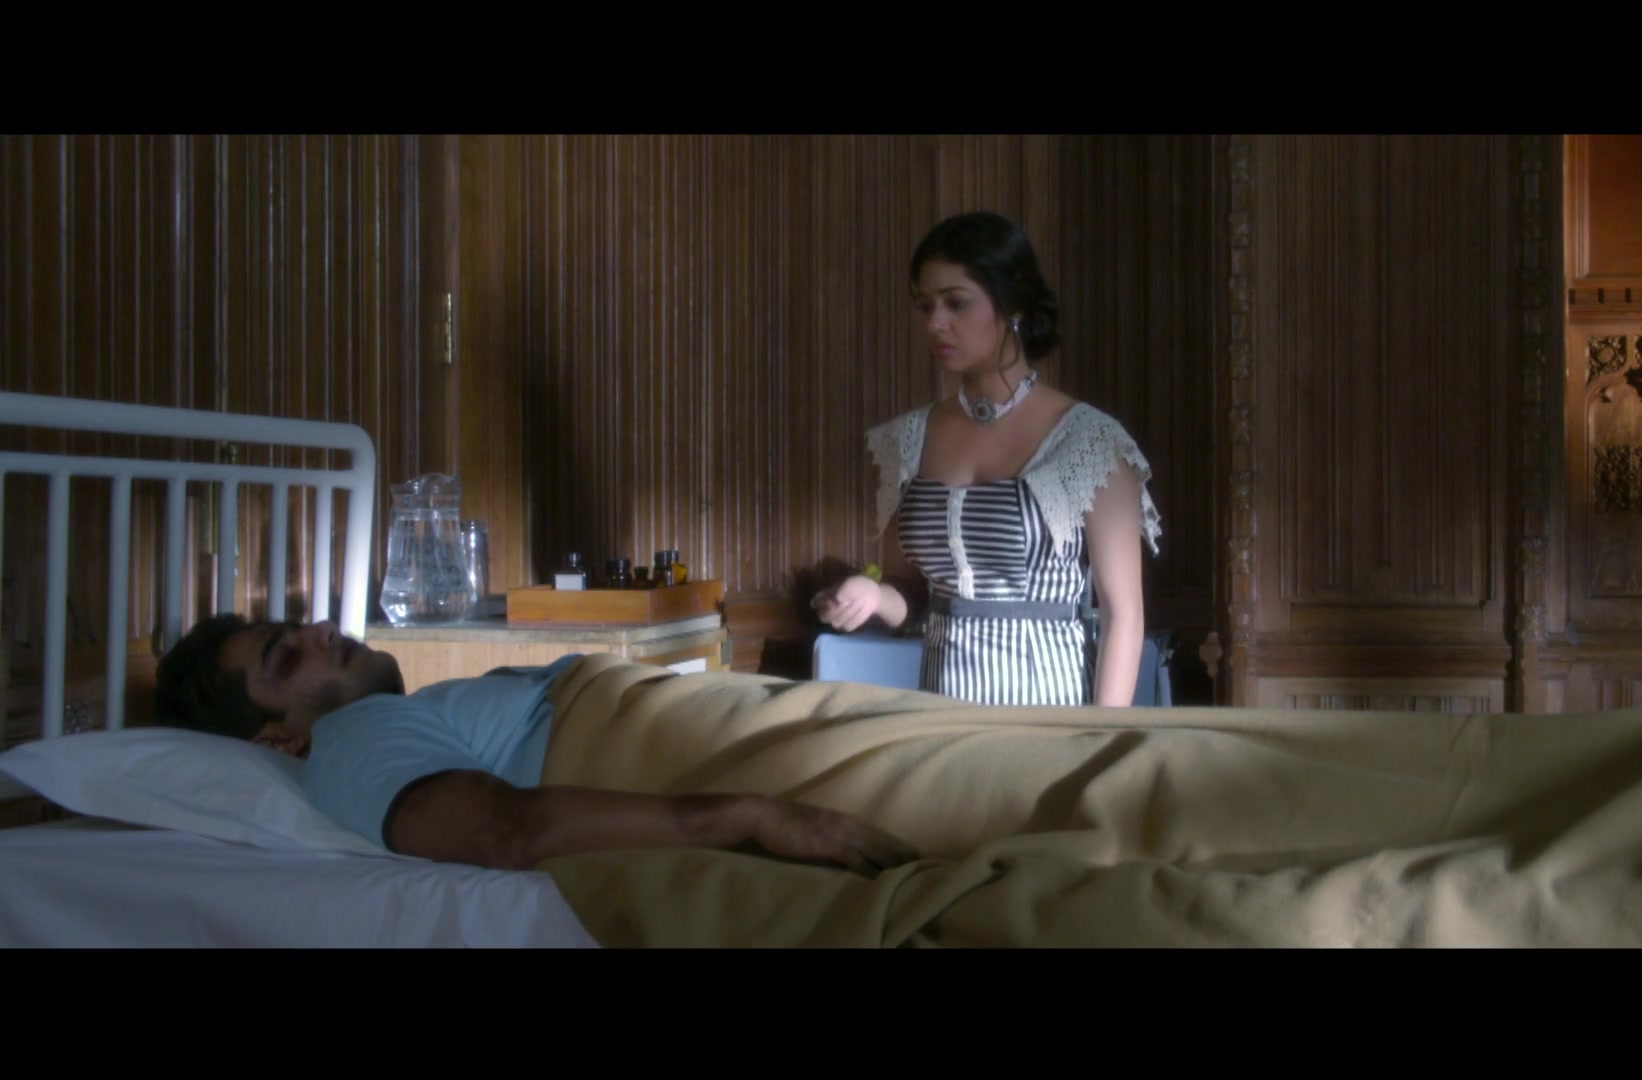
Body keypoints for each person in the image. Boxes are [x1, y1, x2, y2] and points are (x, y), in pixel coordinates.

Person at [152, 613, 920, 877]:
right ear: (280, 740)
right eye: (288, 658)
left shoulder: (403, 715)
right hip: (694, 748)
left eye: (304, 627)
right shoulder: (350, 738)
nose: (323, 631)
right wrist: (751, 815)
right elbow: (500, 829)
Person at [812, 211, 1162, 707]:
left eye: (956, 302)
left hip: (1052, 713)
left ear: (1011, 302)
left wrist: (1102, 737)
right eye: (925, 305)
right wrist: (872, 597)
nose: (935, 322)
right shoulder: (908, 440)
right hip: (942, 715)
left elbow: (1123, 615)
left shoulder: (1088, 441)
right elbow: (911, 595)